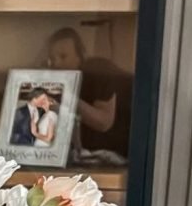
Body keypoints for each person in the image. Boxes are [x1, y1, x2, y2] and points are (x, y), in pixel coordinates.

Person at [47, 28, 133, 157]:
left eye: (63, 56)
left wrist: (64, 96)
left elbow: (104, 122)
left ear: (80, 55)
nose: (56, 63)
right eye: (52, 59)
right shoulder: (67, 81)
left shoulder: (98, 70)